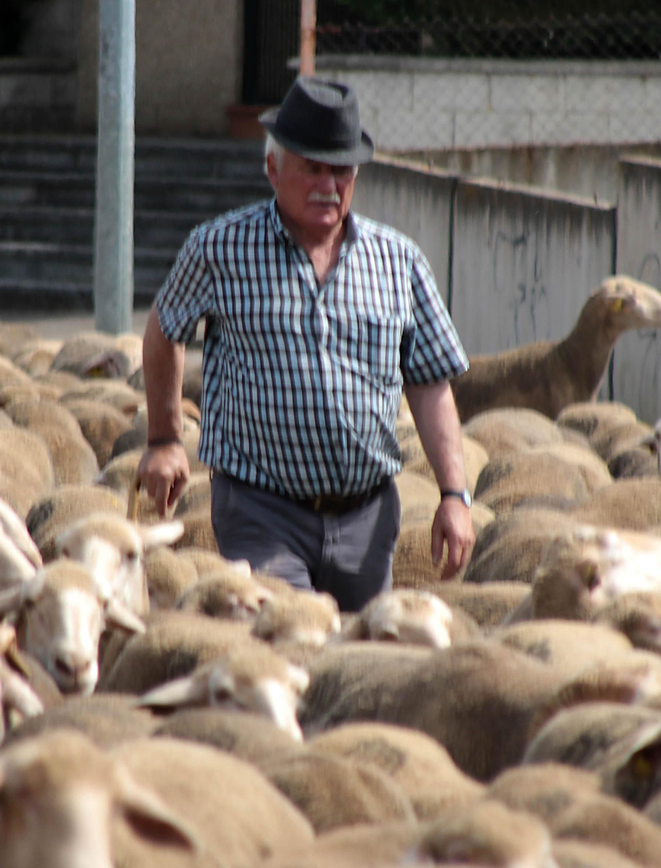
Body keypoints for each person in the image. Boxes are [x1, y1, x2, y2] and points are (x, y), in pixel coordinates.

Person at [136, 77, 474, 610]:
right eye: (311, 167)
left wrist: (454, 495)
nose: (328, 184)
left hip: (367, 518)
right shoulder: (219, 248)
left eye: (340, 169)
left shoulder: (398, 260)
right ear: (273, 169)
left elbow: (430, 381)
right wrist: (164, 439)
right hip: (261, 512)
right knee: (288, 636)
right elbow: (164, 329)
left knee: (356, 668)